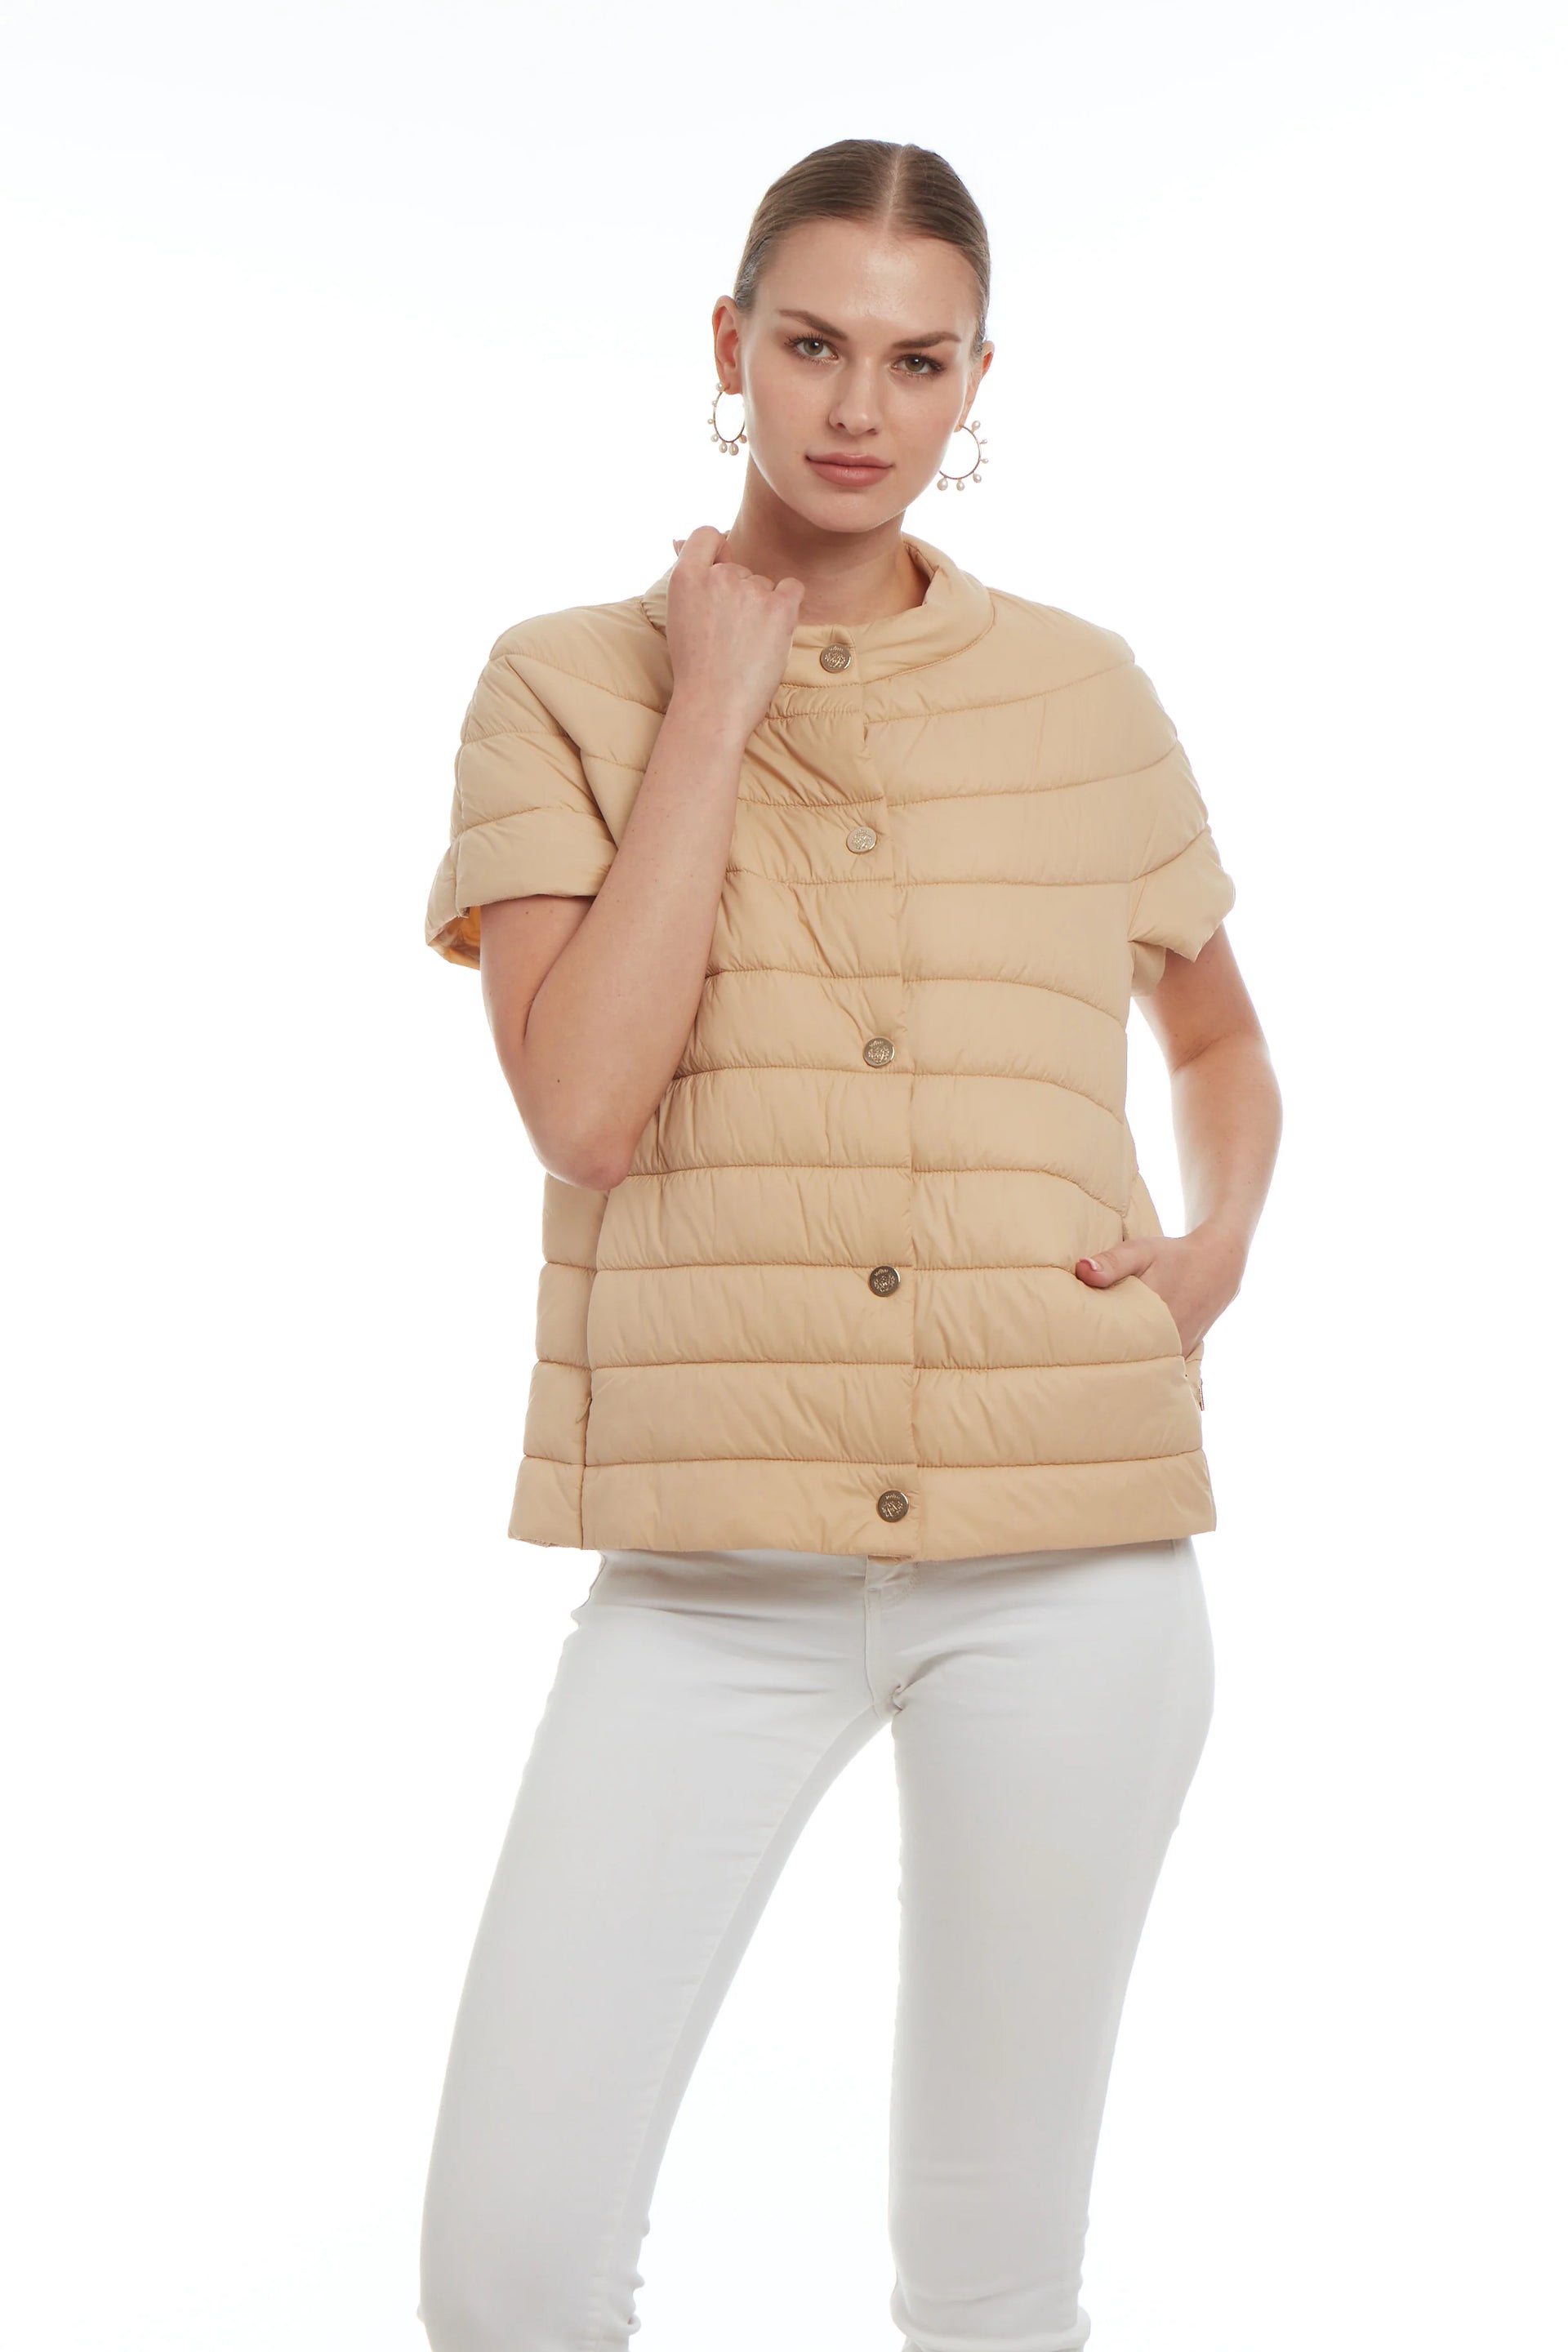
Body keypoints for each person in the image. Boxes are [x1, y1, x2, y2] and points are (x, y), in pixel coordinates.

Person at [416, 137, 1281, 2352]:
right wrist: (719, 697)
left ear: (981, 380)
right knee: (508, 2276)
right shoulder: (565, 682)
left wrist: (1215, 1247)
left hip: (1071, 1556)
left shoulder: (1085, 691)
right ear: (729, 347)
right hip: (709, 1578)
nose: (858, 407)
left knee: (990, 2292)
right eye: (812, 344)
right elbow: (584, 1109)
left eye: (918, 360)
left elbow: (1217, 1040)